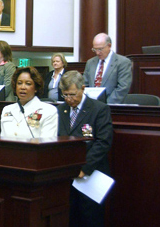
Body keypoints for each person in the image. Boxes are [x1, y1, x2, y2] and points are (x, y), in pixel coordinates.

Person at [57, 70, 113, 227]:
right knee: (70, 217)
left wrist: (85, 168)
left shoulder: (99, 109)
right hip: (67, 175)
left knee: (90, 219)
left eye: (73, 94)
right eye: (65, 95)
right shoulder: (61, 110)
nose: (69, 99)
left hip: (91, 174)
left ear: (83, 88)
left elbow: (103, 142)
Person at [0, 66, 58, 138]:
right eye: (19, 83)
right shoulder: (7, 109)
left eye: (28, 83)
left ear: (36, 88)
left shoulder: (48, 111)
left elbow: (47, 143)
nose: (23, 87)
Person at [83, 33, 132, 104]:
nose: (97, 53)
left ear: (109, 46)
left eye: (100, 49)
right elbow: (85, 84)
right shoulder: (90, 62)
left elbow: (123, 87)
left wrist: (105, 105)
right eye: (94, 49)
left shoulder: (122, 62)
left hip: (111, 107)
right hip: (91, 107)